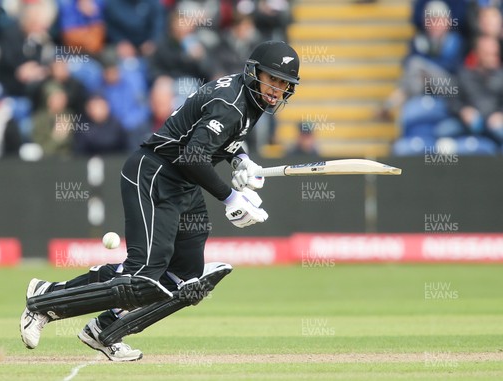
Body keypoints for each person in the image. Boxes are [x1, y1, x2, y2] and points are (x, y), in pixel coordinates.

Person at [19, 41, 300, 361]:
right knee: (144, 276)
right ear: (254, 72)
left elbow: (212, 138)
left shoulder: (247, 97)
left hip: (184, 184)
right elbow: (193, 155)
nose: (276, 90)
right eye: (271, 79)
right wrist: (230, 196)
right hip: (156, 174)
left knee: (186, 276)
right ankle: (46, 300)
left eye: (283, 84)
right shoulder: (232, 103)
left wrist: (240, 160)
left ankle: (104, 328)